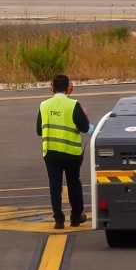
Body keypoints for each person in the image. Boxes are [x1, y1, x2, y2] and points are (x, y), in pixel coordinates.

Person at [37, 73, 91, 230]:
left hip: (51, 153)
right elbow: (86, 128)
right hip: (71, 153)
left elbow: (38, 130)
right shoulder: (73, 105)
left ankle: (58, 220)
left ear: (51, 88)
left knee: (55, 185)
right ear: (69, 88)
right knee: (74, 183)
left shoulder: (44, 105)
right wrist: (86, 119)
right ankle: (76, 217)